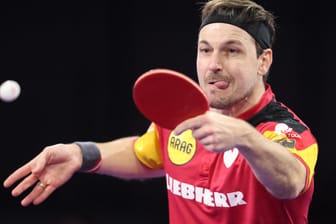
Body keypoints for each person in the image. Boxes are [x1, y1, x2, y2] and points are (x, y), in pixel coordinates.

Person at [3, 0, 318, 223]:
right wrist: (81, 154)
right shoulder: (185, 114)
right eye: (205, 49)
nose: (214, 64)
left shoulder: (287, 133)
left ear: (264, 61)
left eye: (231, 50)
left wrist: (245, 138)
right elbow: (146, 155)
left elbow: (289, 181)